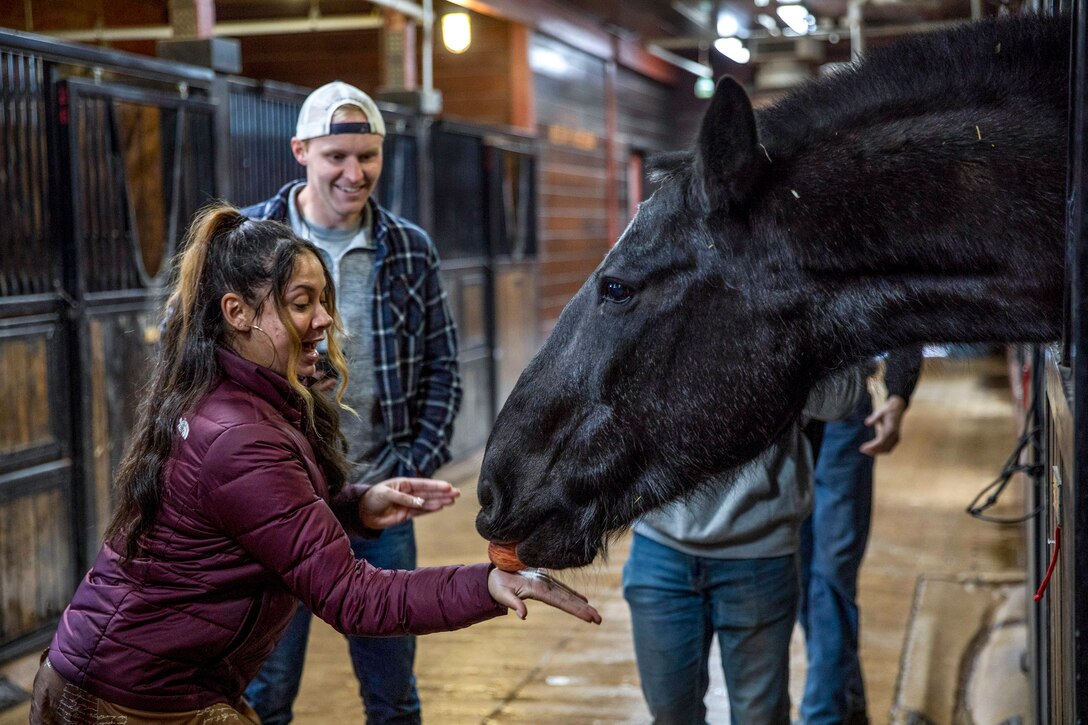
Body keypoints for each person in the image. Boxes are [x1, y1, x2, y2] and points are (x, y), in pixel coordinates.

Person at [29, 206, 600, 724]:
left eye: (322, 300)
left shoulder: (234, 392)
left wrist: (356, 504)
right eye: (302, 303)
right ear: (237, 313)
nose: (325, 319)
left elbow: (259, 516)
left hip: (136, 671)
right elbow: (354, 597)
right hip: (129, 696)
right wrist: (488, 585)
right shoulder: (240, 437)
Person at [240, 81, 460, 724]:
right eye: (336, 155)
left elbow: (444, 366)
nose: (353, 172)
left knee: (392, 694)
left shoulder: (409, 249)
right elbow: (203, 362)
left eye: (367, 156)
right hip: (280, 506)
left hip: (377, 497)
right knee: (265, 693)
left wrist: (416, 457)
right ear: (301, 150)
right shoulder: (250, 246)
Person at [622, 369, 866, 725]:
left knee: (760, 718)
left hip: (758, 552)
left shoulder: (784, 312)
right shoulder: (648, 313)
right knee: (671, 714)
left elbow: (842, 398)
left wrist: (766, 350)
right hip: (660, 548)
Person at [798, 346, 923, 725]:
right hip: (782, 412)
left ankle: (824, 715)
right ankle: (848, 703)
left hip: (844, 409)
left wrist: (898, 391)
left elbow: (901, 301)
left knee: (832, 575)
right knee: (799, 578)